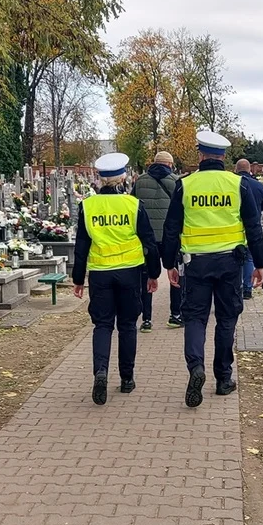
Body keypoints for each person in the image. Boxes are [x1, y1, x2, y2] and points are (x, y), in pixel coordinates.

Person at [162, 131, 263, 408]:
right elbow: (253, 227)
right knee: (226, 318)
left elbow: (171, 227)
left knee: (195, 318)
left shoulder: (186, 185)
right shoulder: (238, 185)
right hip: (230, 263)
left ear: (200, 155)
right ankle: (223, 378)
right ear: (223, 157)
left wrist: (169, 264)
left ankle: (196, 367)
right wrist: (260, 264)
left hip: (195, 263)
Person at [72, 153, 161, 405]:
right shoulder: (133, 205)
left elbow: (81, 247)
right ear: (123, 177)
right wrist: (153, 274)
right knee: (127, 326)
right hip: (130, 273)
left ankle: (100, 372)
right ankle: (127, 379)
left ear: (100, 178)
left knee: (102, 325)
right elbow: (149, 243)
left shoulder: (87, 206)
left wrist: (78, 279)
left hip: (100, 274)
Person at [131, 151, 182, 330]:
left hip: (147, 239)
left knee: (147, 277)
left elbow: (133, 206)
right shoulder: (176, 182)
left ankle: (146, 319)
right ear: (169, 164)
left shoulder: (140, 181)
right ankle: (175, 315)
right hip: (170, 238)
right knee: (175, 275)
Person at [234, 159, 263, 299]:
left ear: (236, 169)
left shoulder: (232, 184)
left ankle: (236, 288)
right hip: (253, 225)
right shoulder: (258, 185)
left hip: (234, 227)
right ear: (250, 169)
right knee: (249, 257)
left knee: (235, 258)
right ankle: (247, 288)